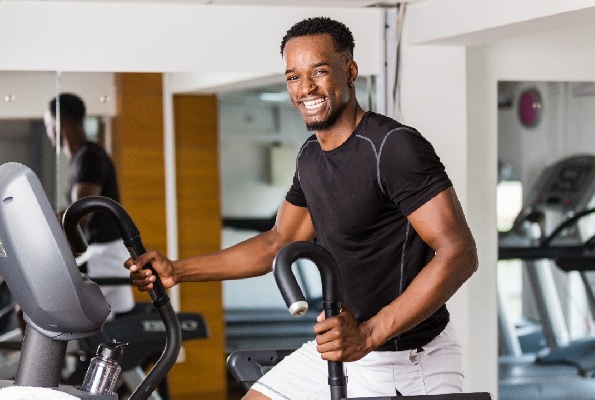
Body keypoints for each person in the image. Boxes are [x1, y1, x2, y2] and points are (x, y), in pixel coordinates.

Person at [127, 17, 478, 399]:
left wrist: (369, 333)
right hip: (343, 350)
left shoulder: (393, 147)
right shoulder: (311, 156)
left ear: (350, 71)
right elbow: (277, 243)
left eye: (320, 72)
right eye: (293, 77)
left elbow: (459, 252)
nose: (305, 88)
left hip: (408, 360)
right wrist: (177, 271)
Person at [45, 93, 135, 320]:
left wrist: (39, 222)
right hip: (109, 254)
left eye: (48, 125)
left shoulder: (88, 157)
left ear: (58, 125)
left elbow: (81, 213)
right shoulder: (82, 157)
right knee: (109, 332)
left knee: (50, 308)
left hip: (105, 257)